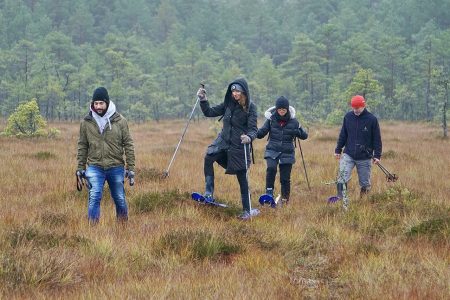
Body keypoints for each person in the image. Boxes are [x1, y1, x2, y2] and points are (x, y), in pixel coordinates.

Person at [196, 78, 258, 219]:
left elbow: (254, 129)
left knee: (242, 177)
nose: (235, 94)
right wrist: (203, 99)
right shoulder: (228, 104)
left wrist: (249, 137)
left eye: (237, 91)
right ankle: (208, 193)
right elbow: (209, 112)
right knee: (209, 157)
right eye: (233, 91)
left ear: (244, 92)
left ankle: (247, 211)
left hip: (239, 147)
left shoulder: (250, 108)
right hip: (223, 143)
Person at [77, 87, 135, 224]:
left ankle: (122, 228)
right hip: (94, 166)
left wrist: (131, 167)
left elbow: (128, 144)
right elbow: (82, 145)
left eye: (101, 103)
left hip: (116, 166)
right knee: (94, 196)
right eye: (95, 103)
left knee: (119, 198)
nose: (98, 106)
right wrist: (80, 167)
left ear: (107, 103)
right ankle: (93, 229)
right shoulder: (86, 122)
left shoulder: (120, 121)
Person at [256, 96, 308, 205]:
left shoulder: (294, 121)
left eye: (284, 110)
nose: (281, 112)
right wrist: (252, 132)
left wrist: (298, 131)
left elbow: (304, 136)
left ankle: (285, 199)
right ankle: (269, 193)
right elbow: (261, 133)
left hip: (287, 152)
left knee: (285, 178)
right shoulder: (270, 120)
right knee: (271, 168)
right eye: (279, 109)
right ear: (276, 109)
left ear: (287, 109)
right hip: (272, 150)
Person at [334, 95, 382, 201]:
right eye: (353, 108)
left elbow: (377, 139)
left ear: (363, 106)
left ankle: (362, 202)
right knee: (342, 178)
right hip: (348, 154)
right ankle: (341, 200)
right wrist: (338, 149)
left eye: (357, 108)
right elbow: (343, 134)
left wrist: (377, 155)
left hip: (365, 156)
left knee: (365, 183)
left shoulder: (372, 119)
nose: (355, 110)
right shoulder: (348, 117)